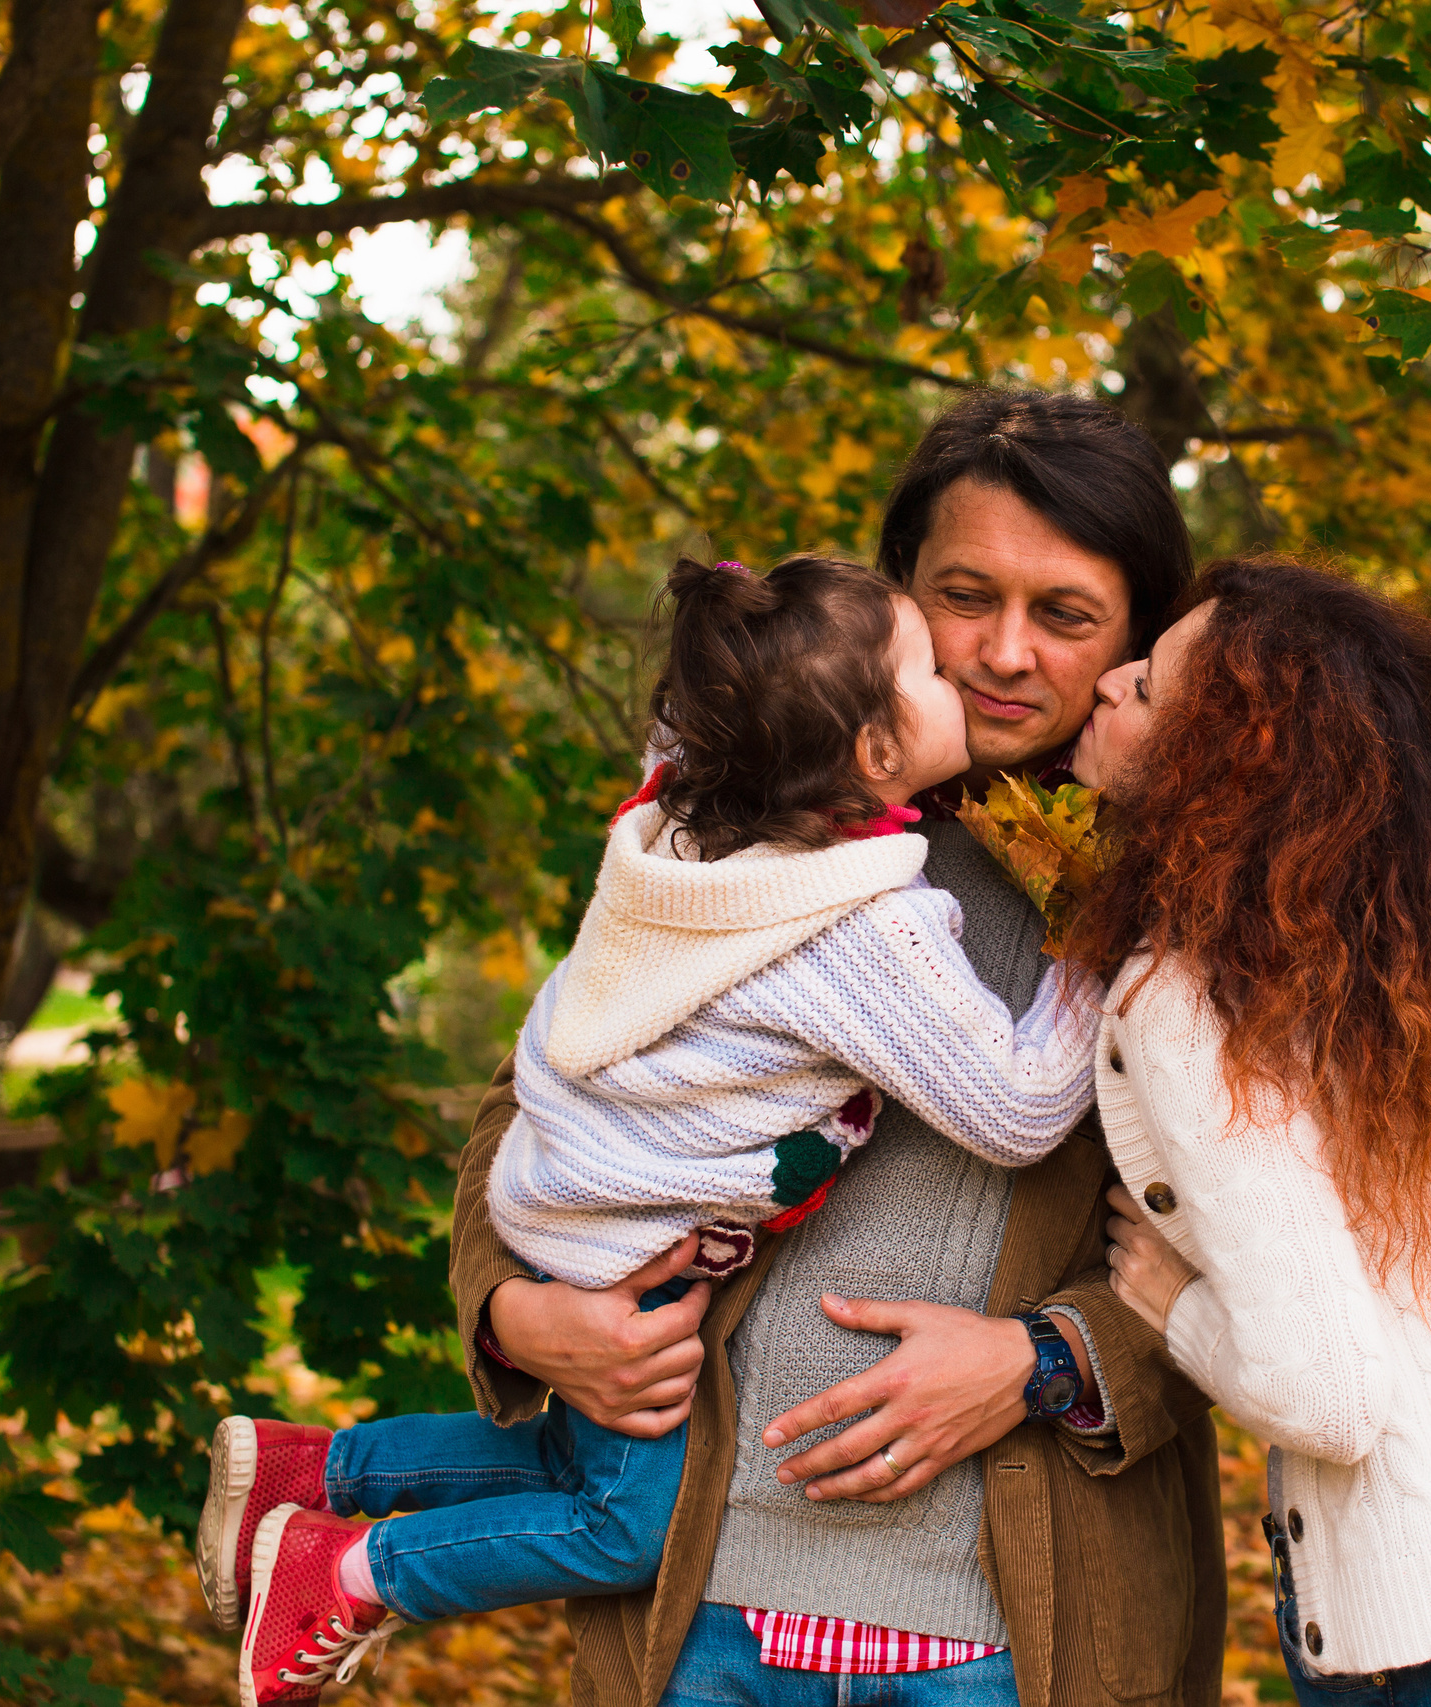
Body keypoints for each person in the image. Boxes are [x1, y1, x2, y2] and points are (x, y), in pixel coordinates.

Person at [200, 555, 1107, 1706]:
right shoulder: (856, 922)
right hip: (632, 1247)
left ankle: (312, 1468)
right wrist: (1102, 943)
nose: (978, 670)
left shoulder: (682, 818)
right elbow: (1020, 1107)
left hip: (578, 1204)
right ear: (873, 756)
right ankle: (353, 1568)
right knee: (623, 1526)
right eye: (934, 651)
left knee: (576, 1462)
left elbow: (697, 716)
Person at [444, 390, 1225, 1707]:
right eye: (964, 596)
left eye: (1067, 615)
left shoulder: (1198, 886)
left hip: (1015, 1622)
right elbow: (552, 1090)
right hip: (700, 1597)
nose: (1005, 652)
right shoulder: (765, 816)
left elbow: (1293, 1255)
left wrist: (1045, 1360)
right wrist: (525, 1315)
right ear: (895, 597)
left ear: (1139, 638)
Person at [1067, 558, 1431, 1707]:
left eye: (1148, 686)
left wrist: (1167, 1302)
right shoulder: (1415, 965)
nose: (1108, 680)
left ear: (1230, 757)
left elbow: (1325, 1396)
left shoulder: (1187, 999)